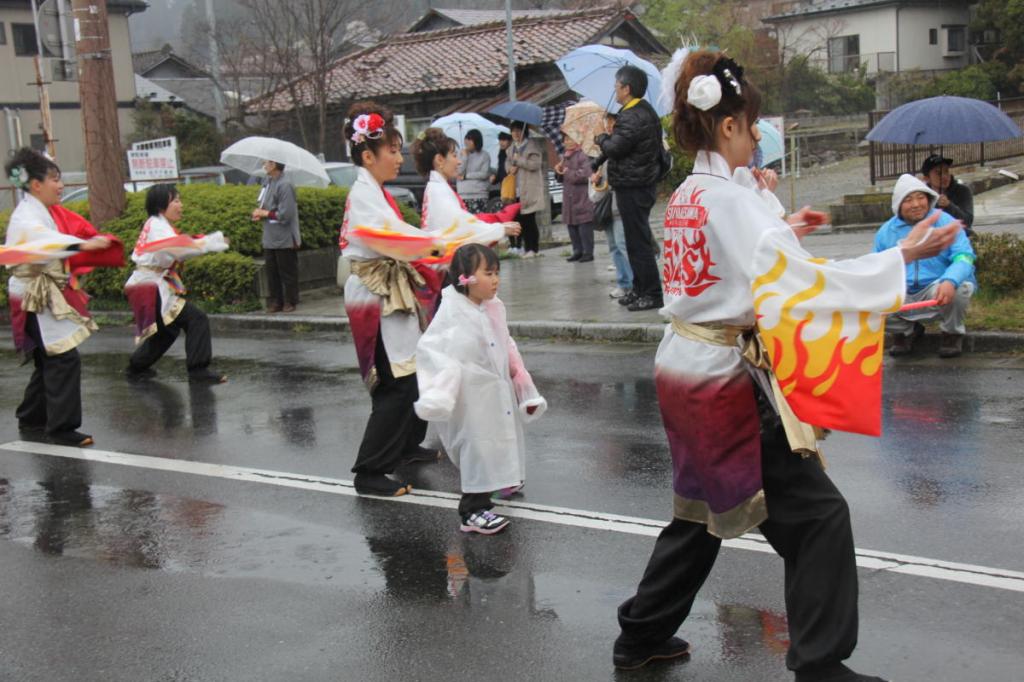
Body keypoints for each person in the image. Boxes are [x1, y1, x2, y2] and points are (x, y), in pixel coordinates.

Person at [612, 51, 961, 681]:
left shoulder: (692, 192)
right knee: (817, 517)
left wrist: (783, 219)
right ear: (727, 127)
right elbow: (797, 284)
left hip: (684, 366)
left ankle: (641, 634)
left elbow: (744, 256)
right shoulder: (734, 201)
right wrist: (902, 256)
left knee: (702, 512)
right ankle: (819, 664)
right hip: (724, 381)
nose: (756, 137)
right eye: (751, 127)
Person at [340, 102, 503, 497]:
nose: (399, 158)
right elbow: (392, 239)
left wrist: (445, 243)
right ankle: (369, 470)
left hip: (392, 292)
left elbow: (406, 237)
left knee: (412, 374)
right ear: (368, 155)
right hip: (377, 297)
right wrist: (438, 243)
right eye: (392, 150)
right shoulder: (364, 194)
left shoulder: (375, 191)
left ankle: (405, 446)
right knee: (394, 383)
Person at [414, 243, 547, 534]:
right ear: (465, 277)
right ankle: (472, 510)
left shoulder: (490, 307)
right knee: (477, 447)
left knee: (498, 440)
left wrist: (523, 383)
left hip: (495, 392)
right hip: (470, 398)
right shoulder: (453, 311)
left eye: (497, 272)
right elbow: (434, 350)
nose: (495, 279)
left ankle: (497, 485)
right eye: (488, 273)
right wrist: (440, 394)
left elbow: (506, 343)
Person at [3, 147, 123, 447]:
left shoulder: (40, 211)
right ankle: (61, 428)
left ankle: (31, 415)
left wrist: (82, 243)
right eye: (55, 179)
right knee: (62, 357)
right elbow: (45, 242)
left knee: (49, 358)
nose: (61, 186)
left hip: (36, 293)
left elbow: (57, 235)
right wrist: (81, 246)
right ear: (36, 185)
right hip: (34, 295)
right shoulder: (27, 217)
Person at [124, 184, 230, 383]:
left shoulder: (158, 224)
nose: (180, 205)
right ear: (161, 204)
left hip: (148, 284)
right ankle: (198, 370)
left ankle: (137, 367)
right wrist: (211, 242)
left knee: (167, 331)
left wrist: (207, 242)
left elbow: (179, 244)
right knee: (196, 319)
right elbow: (179, 249)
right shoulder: (156, 226)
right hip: (149, 286)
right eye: (176, 201)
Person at [874, 173, 976, 358]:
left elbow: (964, 256)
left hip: (936, 287)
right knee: (869, 302)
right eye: (908, 199)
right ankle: (906, 332)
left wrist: (950, 280)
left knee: (961, 287)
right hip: (903, 291)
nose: (916, 204)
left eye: (921, 197)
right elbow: (878, 267)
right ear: (898, 205)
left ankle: (951, 334)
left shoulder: (946, 222)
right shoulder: (885, 232)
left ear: (929, 199)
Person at [595, 64, 666, 311]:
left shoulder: (633, 115)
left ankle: (652, 293)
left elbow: (615, 147)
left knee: (638, 242)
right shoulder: (638, 112)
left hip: (635, 186)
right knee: (634, 241)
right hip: (635, 184)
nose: (615, 90)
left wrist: (601, 138)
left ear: (627, 88)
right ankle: (639, 289)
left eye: (617, 86)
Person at [415, 128, 520, 248]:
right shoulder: (439, 190)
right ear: (440, 159)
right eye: (454, 156)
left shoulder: (437, 187)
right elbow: (462, 226)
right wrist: (499, 229)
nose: (458, 161)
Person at [252, 160, 299, 312]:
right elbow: (263, 203)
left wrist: (266, 213)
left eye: (267, 162)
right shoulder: (267, 182)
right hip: (269, 235)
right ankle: (276, 301)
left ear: (274, 165)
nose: (264, 164)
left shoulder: (285, 185)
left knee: (286, 271)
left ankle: (290, 301)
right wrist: (259, 212)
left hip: (284, 235)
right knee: (272, 272)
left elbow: (286, 214)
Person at [555, 131, 595, 263]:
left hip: (582, 195)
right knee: (571, 224)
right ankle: (577, 250)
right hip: (569, 195)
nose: (567, 142)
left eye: (570, 139)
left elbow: (585, 174)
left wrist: (568, 172)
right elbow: (562, 178)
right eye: (565, 140)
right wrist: (559, 171)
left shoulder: (583, 155)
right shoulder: (565, 156)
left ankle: (587, 252)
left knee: (584, 224)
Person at [506, 121, 545, 258]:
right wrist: (510, 168)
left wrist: (519, 161)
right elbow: (508, 164)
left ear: (524, 132)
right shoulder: (512, 148)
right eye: (513, 131)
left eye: (518, 130)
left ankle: (533, 248)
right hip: (516, 190)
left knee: (530, 220)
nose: (516, 134)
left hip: (530, 188)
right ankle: (524, 246)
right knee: (520, 220)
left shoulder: (532, 146)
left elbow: (535, 164)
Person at [921, 153, 975, 237]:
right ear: (927, 178)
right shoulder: (922, 195)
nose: (944, 176)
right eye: (938, 173)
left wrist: (949, 205)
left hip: (960, 237)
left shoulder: (962, 191)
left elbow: (967, 221)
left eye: (946, 171)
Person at [457, 129, 492, 213]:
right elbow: (458, 172)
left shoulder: (485, 155)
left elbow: (484, 174)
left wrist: (466, 176)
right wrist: (465, 157)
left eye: (471, 140)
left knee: (479, 222)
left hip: (479, 194)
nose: (468, 142)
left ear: (477, 141)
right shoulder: (460, 154)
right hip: (463, 194)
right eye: (467, 139)